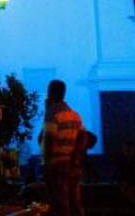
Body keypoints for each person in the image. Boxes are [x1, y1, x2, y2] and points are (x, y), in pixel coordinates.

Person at [39, 80, 83, 216]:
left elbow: (49, 138)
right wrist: (76, 157)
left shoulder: (52, 113)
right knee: (74, 201)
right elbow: (83, 136)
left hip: (56, 164)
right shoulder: (74, 115)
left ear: (50, 93)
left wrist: (46, 163)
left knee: (59, 203)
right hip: (72, 164)